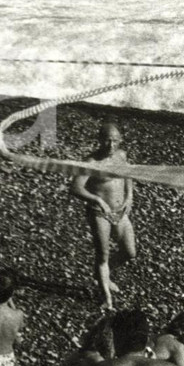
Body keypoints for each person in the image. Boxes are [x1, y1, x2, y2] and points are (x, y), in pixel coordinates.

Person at [70, 122, 135, 310]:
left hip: (121, 211)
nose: (110, 145)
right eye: (106, 140)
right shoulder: (91, 162)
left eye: (115, 140)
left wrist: (129, 196)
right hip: (100, 213)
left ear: (120, 140)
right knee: (103, 255)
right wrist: (97, 200)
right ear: (99, 140)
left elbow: (128, 174)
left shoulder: (121, 156)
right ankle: (106, 297)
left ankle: (104, 275)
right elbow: (75, 187)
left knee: (130, 252)